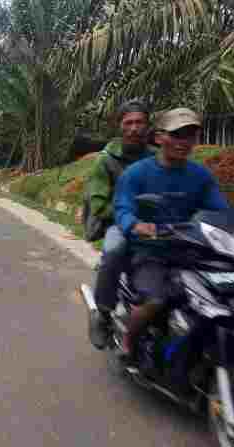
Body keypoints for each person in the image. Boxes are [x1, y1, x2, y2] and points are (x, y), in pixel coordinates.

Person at [113, 107, 233, 361]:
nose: (184, 142)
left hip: (190, 250)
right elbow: (123, 207)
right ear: (159, 138)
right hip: (150, 251)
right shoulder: (136, 173)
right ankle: (128, 340)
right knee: (155, 300)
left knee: (224, 298)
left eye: (190, 135)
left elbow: (221, 211)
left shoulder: (200, 176)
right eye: (177, 135)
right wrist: (135, 224)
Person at [85, 99, 156, 349]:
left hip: (154, 225)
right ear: (120, 127)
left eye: (140, 122)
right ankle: (102, 315)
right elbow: (99, 207)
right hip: (117, 223)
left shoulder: (157, 158)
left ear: (148, 126)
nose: (135, 128)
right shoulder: (106, 161)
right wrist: (130, 217)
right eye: (129, 123)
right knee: (114, 251)